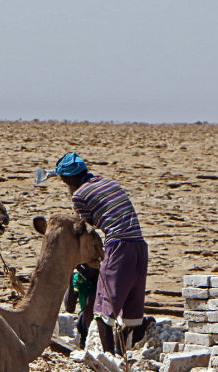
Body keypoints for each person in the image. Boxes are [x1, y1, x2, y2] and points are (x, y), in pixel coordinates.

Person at [54, 152, 149, 355]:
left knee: (103, 307)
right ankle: (123, 351)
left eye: (64, 181)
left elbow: (86, 229)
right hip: (139, 246)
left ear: (70, 179)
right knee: (131, 308)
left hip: (119, 245)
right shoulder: (109, 183)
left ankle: (108, 358)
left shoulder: (79, 195)